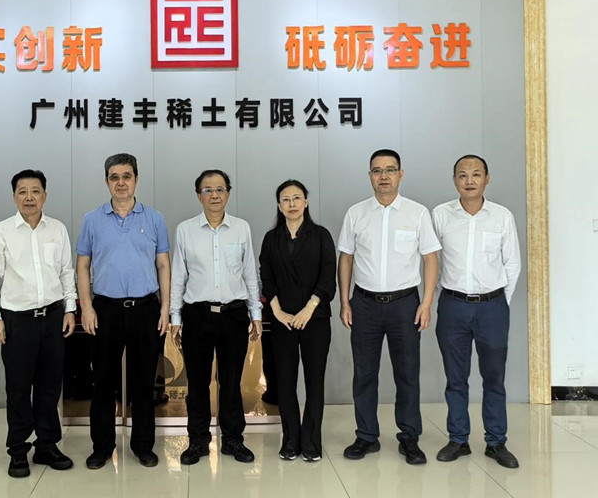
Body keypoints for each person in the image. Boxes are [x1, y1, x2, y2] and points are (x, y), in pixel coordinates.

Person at [337, 149, 440, 465]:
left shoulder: (417, 213)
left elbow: (430, 258)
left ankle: (409, 437)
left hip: (405, 304)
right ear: (370, 175)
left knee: (407, 374)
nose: (383, 176)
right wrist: (345, 301)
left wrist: (426, 302)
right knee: (364, 374)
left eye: (390, 170)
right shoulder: (356, 213)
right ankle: (366, 436)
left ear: (400, 174)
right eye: (377, 170)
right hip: (364, 304)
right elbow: (346, 258)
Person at [76, 153, 170, 469]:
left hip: (145, 309)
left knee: (144, 382)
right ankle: (102, 447)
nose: (121, 183)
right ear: (107, 181)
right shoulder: (92, 219)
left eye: (126, 176)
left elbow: (163, 264)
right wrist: (86, 307)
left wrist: (165, 308)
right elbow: (83, 265)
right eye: (114, 177)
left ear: (136, 180)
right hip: (105, 309)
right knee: (103, 380)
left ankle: (143, 446)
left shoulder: (154, 218)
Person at [0, 169, 77, 478]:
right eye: (22, 191)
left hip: (53, 318)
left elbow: (66, 271)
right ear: (14, 197)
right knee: (19, 389)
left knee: (50, 388)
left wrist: (70, 309)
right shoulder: (1, 232)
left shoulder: (57, 229)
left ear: (44, 195)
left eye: (35, 191)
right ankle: (18, 450)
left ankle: (47, 446)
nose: (29, 197)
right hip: (16, 321)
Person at [432, 155, 521, 469]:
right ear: (454, 179)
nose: (469, 181)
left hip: (492, 308)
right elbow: (432, 262)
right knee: (455, 378)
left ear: (487, 178)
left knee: (494, 378)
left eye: (476, 174)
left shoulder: (502, 216)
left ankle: (496, 442)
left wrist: (498, 302)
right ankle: (458, 439)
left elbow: (512, 264)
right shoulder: (440, 215)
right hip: (453, 306)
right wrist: (443, 298)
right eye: (462, 175)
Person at [171, 169, 262, 465]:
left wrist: (255, 313)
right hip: (196, 315)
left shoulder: (241, 228)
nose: (214, 195)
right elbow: (178, 276)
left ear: (228, 194)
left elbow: (249, 273)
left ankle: (233, 439)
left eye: (220, 189)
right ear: (199, 195)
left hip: (233, 315)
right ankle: (197, 441)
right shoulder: (185, 230)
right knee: (197, 384)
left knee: (231, 382)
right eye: (208, 190)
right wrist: (175, 317)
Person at [259, 179, 336, 462]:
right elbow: (266, 277)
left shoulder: (321, 235)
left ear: (306, 202)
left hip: (315, 319)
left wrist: (309, 309)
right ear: (279, 205)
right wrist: (278, 312)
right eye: (286, 199)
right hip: (283, 321)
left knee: (315, 382)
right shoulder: (271, 239)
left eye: (297, 198)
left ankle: (312, 442)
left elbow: (328, 275)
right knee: (285, 382)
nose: (291, 204)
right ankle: (290, 440)